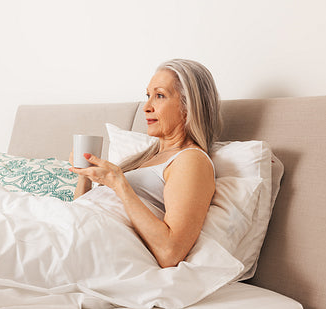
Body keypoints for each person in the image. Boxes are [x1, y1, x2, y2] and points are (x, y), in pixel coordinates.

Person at [69, 59, 222, 268]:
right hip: (74, 226)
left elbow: (171, 252)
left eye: (159, 96)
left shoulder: (191, 160)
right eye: (148, 96)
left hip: (92, 244)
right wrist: (84, 176)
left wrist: (119, 184)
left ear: (189, 107)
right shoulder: (145, 158)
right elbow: (82, 209)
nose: (147, 107)